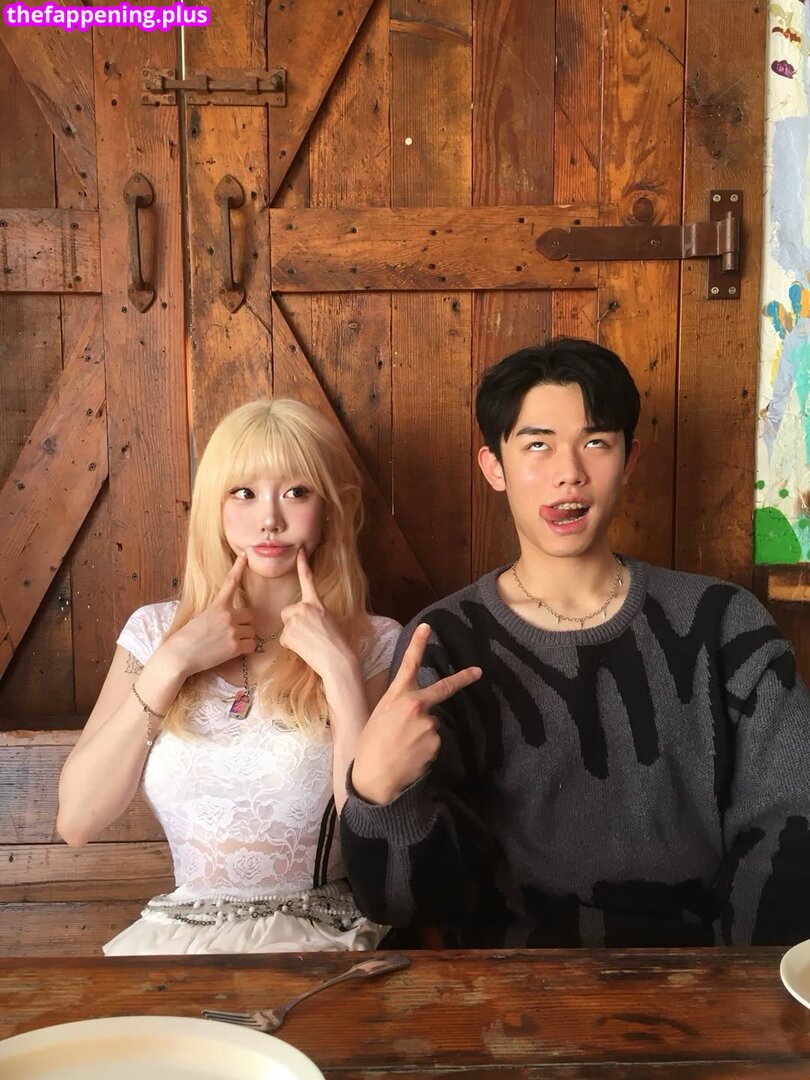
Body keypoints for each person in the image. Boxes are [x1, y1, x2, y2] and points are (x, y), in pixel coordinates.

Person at [340, 337, 810, 948]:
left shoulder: (723, 623)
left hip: (700, 973)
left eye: (595, 443)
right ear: (494, 466)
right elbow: (404, 905)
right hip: (500, 984)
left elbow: (789, 823)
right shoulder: (444, 641)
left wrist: (731, 983)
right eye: (537, 445)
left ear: (629, 459)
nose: (570, 473)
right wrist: (379, 793)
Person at [57, 399, 401, 954]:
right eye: (243, 492)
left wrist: (339, 672)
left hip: (316, 941)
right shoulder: (154, 632)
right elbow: (77, 821)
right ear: (214, 508)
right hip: (177, 941)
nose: (269, 519)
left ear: (331, 509)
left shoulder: (374, 642)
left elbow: (377, 845)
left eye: (296, 492)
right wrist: (171, 663)